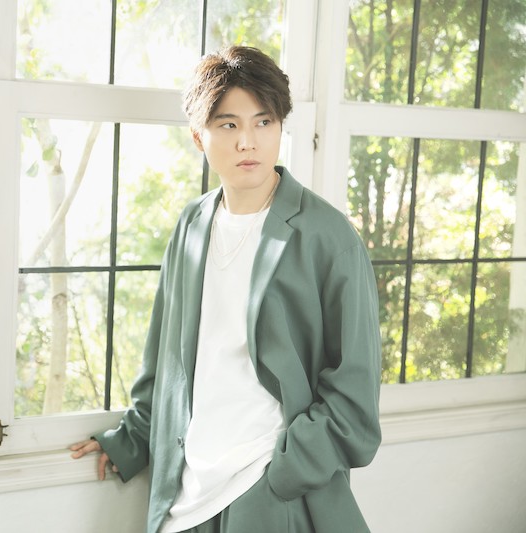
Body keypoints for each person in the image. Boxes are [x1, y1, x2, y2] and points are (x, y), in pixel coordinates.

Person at [70, 45, 382, 533]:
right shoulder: (191, 226)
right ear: (200, 136)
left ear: (280, 126)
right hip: (186, 489)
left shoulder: (326, 236)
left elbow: (354, 392)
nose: (247, 142)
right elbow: (166, 356)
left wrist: (286, 471)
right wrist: (133, 438)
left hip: (267, 485)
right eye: (229, 124)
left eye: (264, 122)